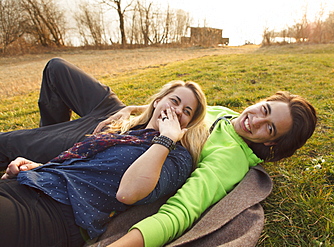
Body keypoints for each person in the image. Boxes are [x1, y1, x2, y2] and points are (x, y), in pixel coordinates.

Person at [0, 58, 317, 246]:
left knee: (7, 144)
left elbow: (183, 210)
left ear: (271, 143)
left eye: (269, 128)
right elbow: (181, 105)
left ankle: (54, 152)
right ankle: (55, 159)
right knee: (57, 69)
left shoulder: (228, 158)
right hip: (127, 117)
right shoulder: (227, 113)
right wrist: (139, 110)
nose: (256, 119)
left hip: (128, 145)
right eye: (264, 109)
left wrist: (128, 242)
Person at [0, 77, 208, 246]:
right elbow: (83, 167)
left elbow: (128, 192)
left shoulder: (177, 156)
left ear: (188, 124)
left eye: (187, 112)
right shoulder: (127, 130)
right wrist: (39, 167)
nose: (178, 110)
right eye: (174, 101)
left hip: (57, 213)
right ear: (157, 101)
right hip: (34, 184)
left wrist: (167, 139)